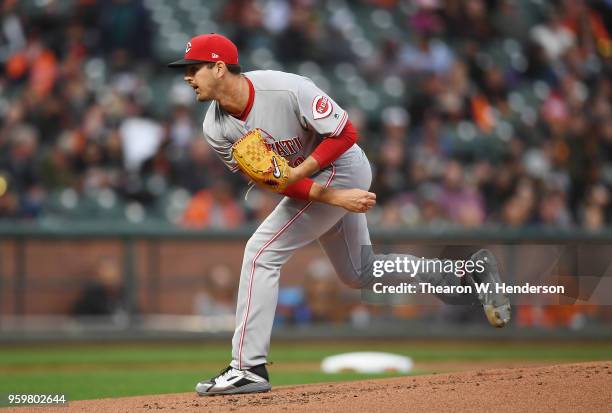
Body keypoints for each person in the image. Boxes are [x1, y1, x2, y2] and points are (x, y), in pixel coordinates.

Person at [167, 33, 511, 396]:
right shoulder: (215, 128)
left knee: (261, 252)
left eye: (194, 68)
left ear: (219, 68)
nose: (188, 77)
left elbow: (345, 133)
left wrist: (313, 180)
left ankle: (247, 367)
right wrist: (329, 197)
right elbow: (275, 182)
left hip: (343, 166)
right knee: (358, 272)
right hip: (322, 184)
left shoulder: (285, 89)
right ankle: (467, 275)